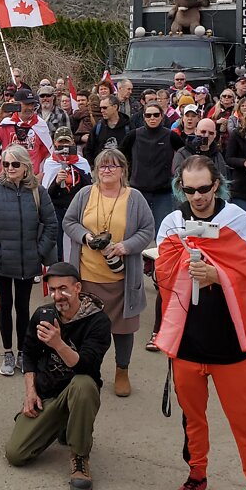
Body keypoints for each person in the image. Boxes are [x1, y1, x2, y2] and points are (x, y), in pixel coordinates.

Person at [155, 156, 246, 490]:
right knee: (193, 420)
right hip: (187, 344)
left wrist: (217, 275)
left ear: (217, 184)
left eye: (204, 188)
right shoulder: (173, 222)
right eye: (189, 190)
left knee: (245, 425)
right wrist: (183, 263)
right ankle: (197, 474)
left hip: (230, 347)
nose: (197, 197)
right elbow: (161, 275)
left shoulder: (236, 220)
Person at [4, 262, 113, 490]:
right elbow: (29, 356)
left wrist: (58, 343)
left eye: (63, 288)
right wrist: (30, 393)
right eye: (52, 290)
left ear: (77, 288)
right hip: (48, 394)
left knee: (84, 384)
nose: (57, 295)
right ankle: (62, 424)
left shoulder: (98, 321)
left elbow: (86, 365)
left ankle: (80, 456)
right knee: (16, 454)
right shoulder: (43, 315)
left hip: (77, 390)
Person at [62, 149, 154, 398]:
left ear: (123, 170)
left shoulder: (135, 198)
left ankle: (122, 370)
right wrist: (87, 237)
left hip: (121, 279)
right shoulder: (84, 194)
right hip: (88, 277)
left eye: (113, 166)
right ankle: (86, 370)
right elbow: (69, 222)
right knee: (86, 329)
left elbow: (147, 229)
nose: (107, 170)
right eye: (103, 166)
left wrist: (126, 247)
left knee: (123, 329)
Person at [0, 144, 60, 377]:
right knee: (5, 306)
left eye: (15, 164)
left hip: (28, 261)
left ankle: (24, 352)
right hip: (2, 262)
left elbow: (51, 224)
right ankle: (7, 352)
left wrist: (38, 252)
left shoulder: (38, 192)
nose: (10, 168)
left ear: (26, 166)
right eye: (6, 164)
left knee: (23, 307)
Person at [121, 101, 186, 231]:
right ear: (144, 117)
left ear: (162, 116)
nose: (152, 118)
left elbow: (184, 154)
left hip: (163, 191)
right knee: (134, 230)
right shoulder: (133, 135)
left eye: (156, 115)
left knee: (163, 230)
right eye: (148, 115)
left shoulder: (170, 135)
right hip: (138, 190)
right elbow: (120, 156)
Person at [43, 127, 93, 263]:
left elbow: (89, 187)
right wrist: (57, 181)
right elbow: (46, 193)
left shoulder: (82, 162)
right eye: (61, 143)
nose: (64, 147)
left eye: (67, 143)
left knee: (78, 241)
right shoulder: (50, 163)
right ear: (55, 144)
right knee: (57, 242)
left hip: (76, 208)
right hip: (57, 209)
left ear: (72, 143)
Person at [0, 87, 52, 174]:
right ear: (16, 104)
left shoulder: (40, 125)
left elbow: (48, 153)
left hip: (30, 178)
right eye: (26, 104)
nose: (30, 108)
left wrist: (41, 174)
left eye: (32, 104)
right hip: (8, 175)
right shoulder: (7, 123)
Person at [83, 93, 131, 164]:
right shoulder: (98, 127)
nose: (102, 111)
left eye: (105, 108)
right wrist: (94, 167)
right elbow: (88, 149)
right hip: (101, 170)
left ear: (115, 107)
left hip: (122, 170)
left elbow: (133, 151)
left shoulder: (128, 127)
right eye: (101, 108)